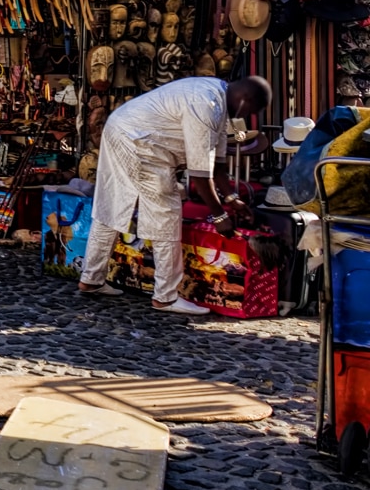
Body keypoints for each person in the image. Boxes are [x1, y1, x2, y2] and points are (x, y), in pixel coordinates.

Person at [78, 75, 271, 316]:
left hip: (125, 129)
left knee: (112, 204)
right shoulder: (207, 105)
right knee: (165, 214)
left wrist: (232, 198)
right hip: (142, 142)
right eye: (251, 111)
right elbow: (200, 175)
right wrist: (219, 217)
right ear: (245, 100)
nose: (247, 117)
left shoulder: (219, 98)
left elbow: (217, 164)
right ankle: (166, 297)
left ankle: (91, 278)